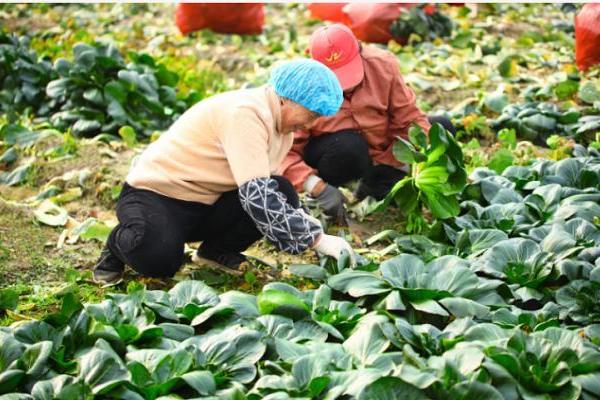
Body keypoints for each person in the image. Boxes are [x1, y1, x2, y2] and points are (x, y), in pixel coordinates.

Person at [93, 59, 355, 285]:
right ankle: (119, 243)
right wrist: (317, 239)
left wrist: (310, 228)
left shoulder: (281, 128)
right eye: (309, 115)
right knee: (159, 261)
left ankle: (215, 252)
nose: (310, 124)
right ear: (286, 98)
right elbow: (258, 197)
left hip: (205, 203)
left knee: (283, 190)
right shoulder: (246, 113)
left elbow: (269, 194)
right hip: (157, 195)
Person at [282, 24, 456, 224]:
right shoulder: (302, 89)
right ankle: (346, 186)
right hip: (337, 157)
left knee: (441, 129)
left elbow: (408, 117)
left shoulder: (383, 65)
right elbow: (283, 152)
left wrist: (420, 157)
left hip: (382, 154)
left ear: (360, 51)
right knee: (349, 147)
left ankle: (372, 184)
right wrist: (316, 186)